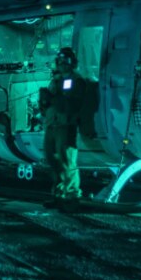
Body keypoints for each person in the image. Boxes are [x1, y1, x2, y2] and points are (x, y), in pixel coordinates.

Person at [40, 46, 87, 209]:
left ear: (72, 63)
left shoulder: (74, 80)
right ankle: (59, 194)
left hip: (65, 125)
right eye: (59, 61)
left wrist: (51, 98)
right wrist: (45, 103)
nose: (62, 64)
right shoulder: (57, 80)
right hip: (52, 124)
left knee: (66, 160)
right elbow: (51, 103)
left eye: (65, 61)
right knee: (52, 158)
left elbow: (69, 103)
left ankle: (72, 195)